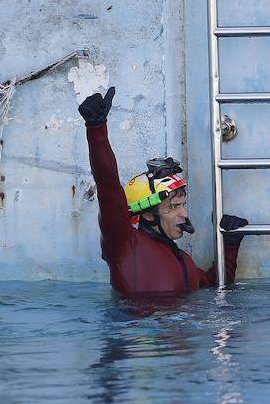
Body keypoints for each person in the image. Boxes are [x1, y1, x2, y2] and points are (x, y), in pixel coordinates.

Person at [78, 87, 248, 295]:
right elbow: (108, 188)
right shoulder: (126, 248)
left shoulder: (184, 261)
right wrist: (97, 131)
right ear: (148, 214)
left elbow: (216, 285)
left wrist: (229, 245)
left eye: (183, 205)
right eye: (173, 206)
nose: (184, 214)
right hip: (137, 327)